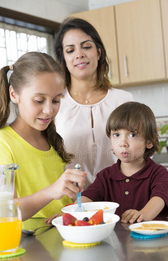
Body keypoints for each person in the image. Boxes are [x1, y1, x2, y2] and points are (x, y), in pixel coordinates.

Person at [0, 52, 86, 230]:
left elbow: (58, 204)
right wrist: (52, 191)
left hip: (60, 239)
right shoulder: (2, 142)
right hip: (31, 247)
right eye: (39, 100)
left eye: (56, 100)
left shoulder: (51, 140)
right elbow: (3, 212)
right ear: (14, 94)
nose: (48, 110)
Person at [54, 17, 134, 188]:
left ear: (98, 52)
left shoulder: (124, 100)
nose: (79, 54)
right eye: (70, 50)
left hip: (120, 199)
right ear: (64, 59)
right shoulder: (54, 103)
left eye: (86, 46)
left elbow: (140, 156)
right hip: (72, 203)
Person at [80, 102, 168, 224]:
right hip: (117, 239)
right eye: (116, 135)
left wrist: (143, 214)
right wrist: (71, 213)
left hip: (153, 236)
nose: (122, 143)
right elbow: (88, 197)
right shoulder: (105, 176)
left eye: (132, 135)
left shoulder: (158, 173)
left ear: (149, 141)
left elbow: (159, 198)